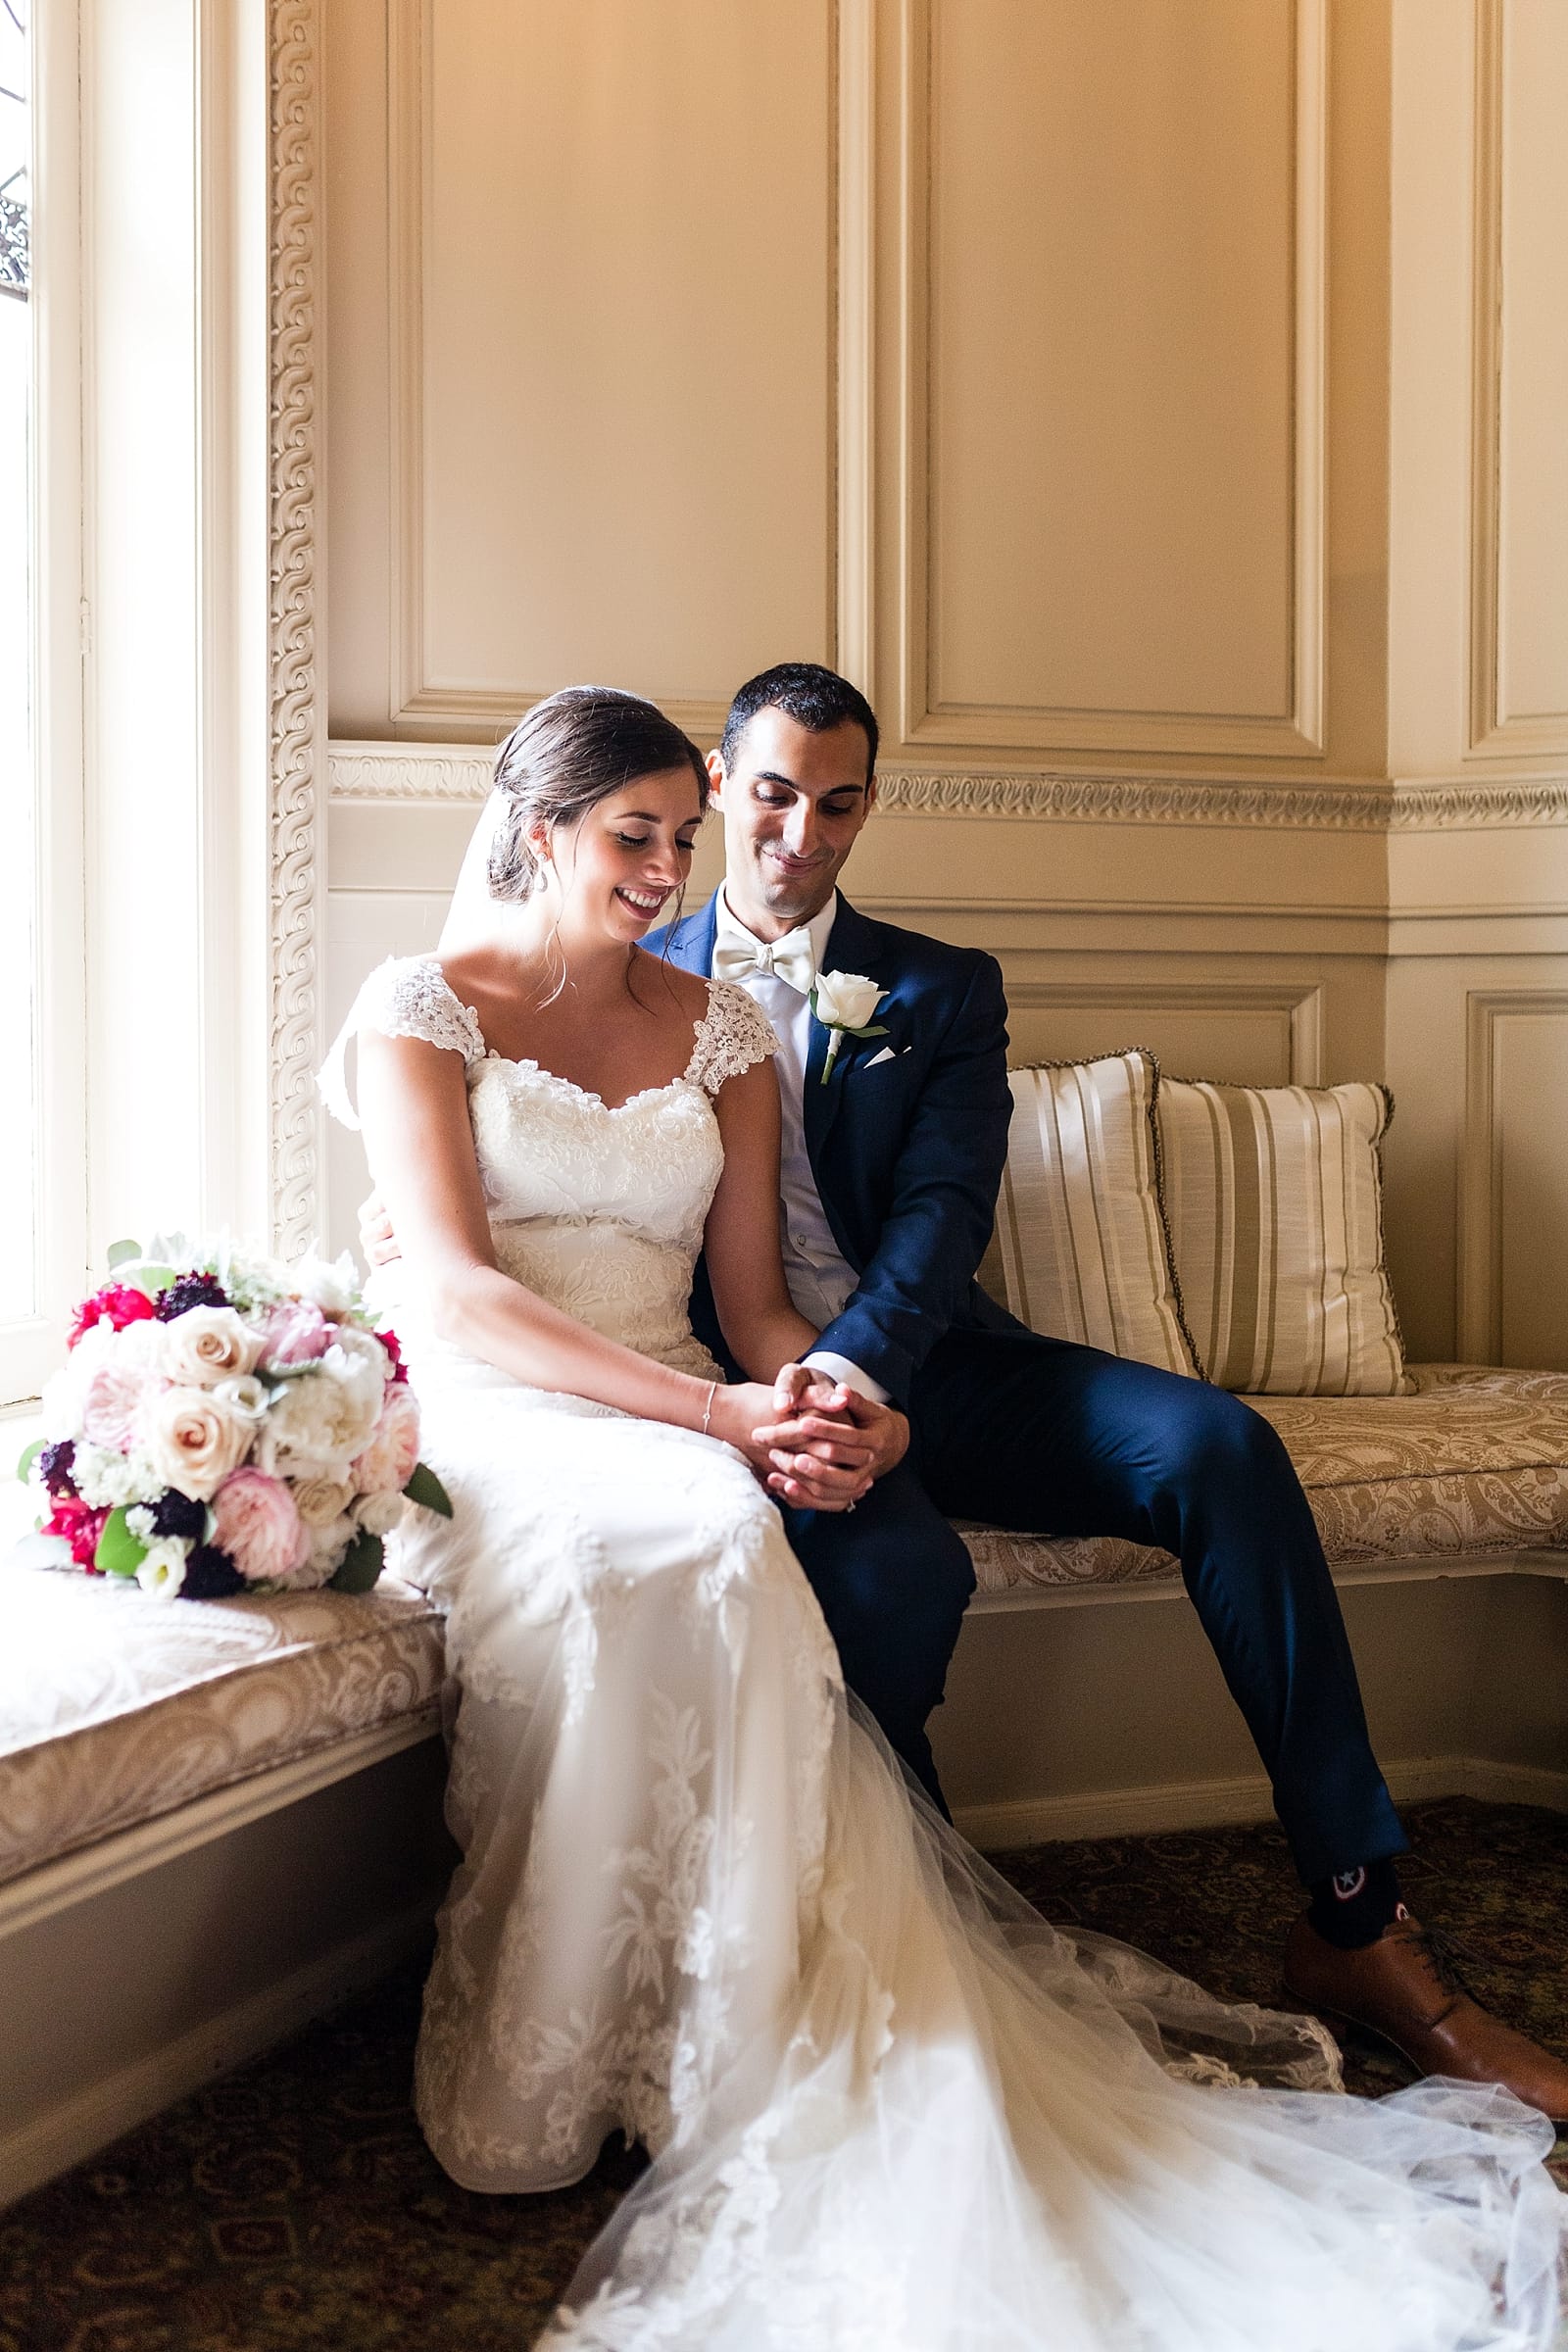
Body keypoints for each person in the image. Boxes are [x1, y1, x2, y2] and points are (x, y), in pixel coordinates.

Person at [325, 683, 1565, 2348]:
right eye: (757, 801)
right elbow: (486, 1275)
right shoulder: (603, 964)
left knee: (1223, 1452)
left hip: (907, 1370)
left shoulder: (934, 985)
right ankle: (897, 1915)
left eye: (834, 807)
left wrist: (853, 1388)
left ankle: (1364, 1920)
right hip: (683, 1397)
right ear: (704, 788)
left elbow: (937, 1217)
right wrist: (768, 1413)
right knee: (885, 1573)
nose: (788, 836)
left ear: (863, 810)